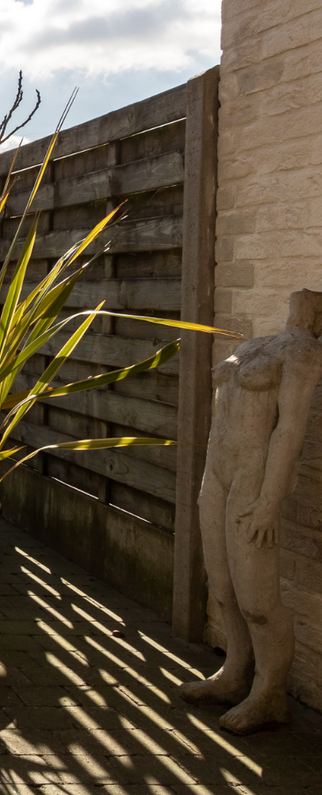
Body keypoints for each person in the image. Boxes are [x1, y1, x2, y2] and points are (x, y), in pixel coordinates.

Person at [179, 289, 322, 734]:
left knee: (257, 599)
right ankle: (234, 672)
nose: (301, 298)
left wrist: (269, 502)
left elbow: (290, 431)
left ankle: (269, 693)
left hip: (253, 476)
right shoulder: (255, 344)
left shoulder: (303, 352)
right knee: (221, 584)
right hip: (218, 470)